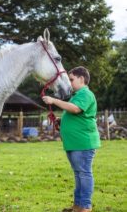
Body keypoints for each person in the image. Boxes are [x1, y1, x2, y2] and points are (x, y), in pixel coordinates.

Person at [42, 66, 101, 212]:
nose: (69, 83)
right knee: (79, 174)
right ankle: (77, 206)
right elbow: (75, 114)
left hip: (83, 143)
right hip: (75, 143)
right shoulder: (77, 95)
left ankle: (85, 207)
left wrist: (54, 101)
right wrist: (62, 121)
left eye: (71, 80)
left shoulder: (86, 94)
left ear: (82, 79)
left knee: (84, 173)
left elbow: (75, 109)